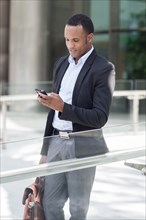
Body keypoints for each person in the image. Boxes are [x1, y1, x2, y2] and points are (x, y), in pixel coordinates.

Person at [37, 14, 115, 220]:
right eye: (66, 40)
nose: (70, 45)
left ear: (90, 38)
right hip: (55, 142)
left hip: (83, 146)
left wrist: (63, 107)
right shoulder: (61, 64)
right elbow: (53, 112)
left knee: (78, 210)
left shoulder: (104, 69)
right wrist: (44, 151)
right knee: (50, 203)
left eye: (75, 40)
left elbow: (99, 117)